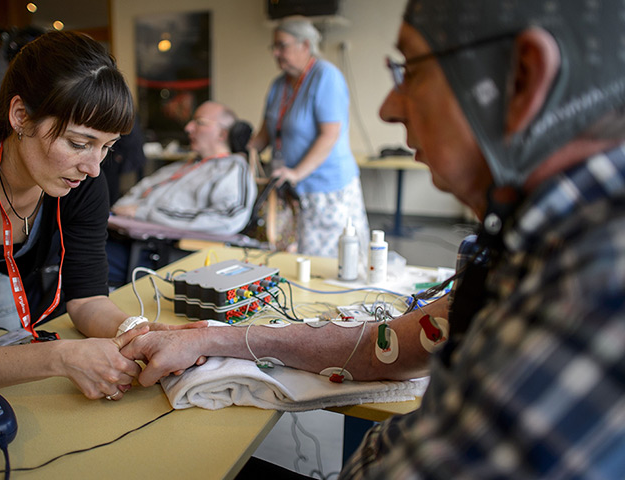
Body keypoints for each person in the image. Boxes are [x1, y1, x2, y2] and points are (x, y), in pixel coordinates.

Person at [121, 0, 625, 476]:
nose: (388, 108)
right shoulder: (517, 248)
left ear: (521, 79)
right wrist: (218, 337)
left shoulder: (595, 288)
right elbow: (395, 345)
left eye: (411, 69)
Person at [0, 30, 198, 402]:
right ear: (21, 116)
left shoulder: (83, 182)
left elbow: (87, 299)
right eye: (78, 143)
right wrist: (60, 357)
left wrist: (138, 331)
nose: (94, 167)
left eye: (107, 146)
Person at [249, 16, 369, 259]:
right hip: (290, 191)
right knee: (293, 260)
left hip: (326, 190)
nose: (276, 53)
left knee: (328, 264)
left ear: (305, 45)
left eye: (282, 45)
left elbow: (330, 135)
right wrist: (240, 153)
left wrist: (296, 173)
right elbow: (265, 134)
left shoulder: (326, 77)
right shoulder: (278, 85)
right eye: (274, 47)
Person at [111, 100, 257, 233]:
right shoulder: (182, 165)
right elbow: (139, 191)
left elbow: (227, 218)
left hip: (157, 248)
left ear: (222, 134)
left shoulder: (233, 169)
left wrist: (142, 213)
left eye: (199, 122)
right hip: (118, 229)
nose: (188, 128)